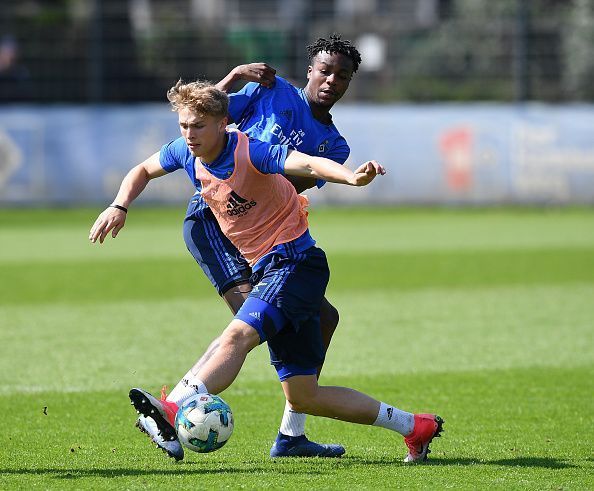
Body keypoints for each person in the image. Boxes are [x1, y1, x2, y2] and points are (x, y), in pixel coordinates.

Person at [95, 80, 444, 463]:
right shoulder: (185, 152)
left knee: (239, 333)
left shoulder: (250, 152)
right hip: (272, 268)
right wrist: (119, 205)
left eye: (198, 125)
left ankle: (173, 408)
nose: (189, 135)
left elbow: (307, 163)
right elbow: (142, 169)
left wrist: (352, 177)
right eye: (183, 126)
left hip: (295, 263)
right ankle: (415, 427)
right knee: (304, 396)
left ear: (222, 123)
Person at [90, 34, 366, 460]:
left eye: (341, 76)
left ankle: (291, 435)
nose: (331, 80)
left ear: (349, 83)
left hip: (259, 229)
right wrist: (235, 77)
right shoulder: (271, 91)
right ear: (310, 68)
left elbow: (284, 180)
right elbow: (203, 114)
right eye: (325, 70)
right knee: (249, 328)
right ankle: (170, 410)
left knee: (323, 317)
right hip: (211, 219)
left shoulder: (336, 146)